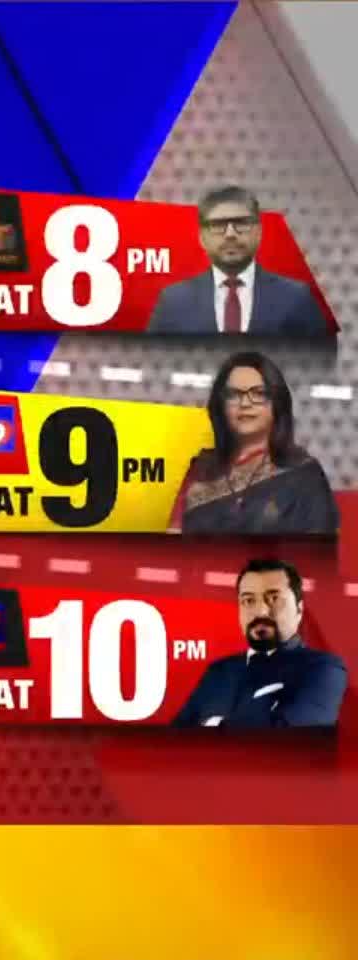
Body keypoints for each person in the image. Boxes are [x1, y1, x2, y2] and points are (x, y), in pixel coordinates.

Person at [168, 351, 338, 536]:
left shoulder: (304, 474)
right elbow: (172, 541)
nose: (245, 403)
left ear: (277, 403)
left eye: (258, 393)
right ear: (220, 405)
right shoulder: (201, 470)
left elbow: (319, 547)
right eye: (234, 394)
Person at [171, 559, 346, 729]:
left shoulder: (324, 669)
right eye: (248, 601)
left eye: (274, 598)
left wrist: (210, 726)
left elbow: (288, 737)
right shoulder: (219, 671)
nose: (260, 611)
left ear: (299, 609)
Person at [146, 185, 331, 337]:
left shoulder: (297, 297)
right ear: (202, 237)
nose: (230, 234)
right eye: (218, 225)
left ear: (259, 232)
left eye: (241, 223)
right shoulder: (173, 301)